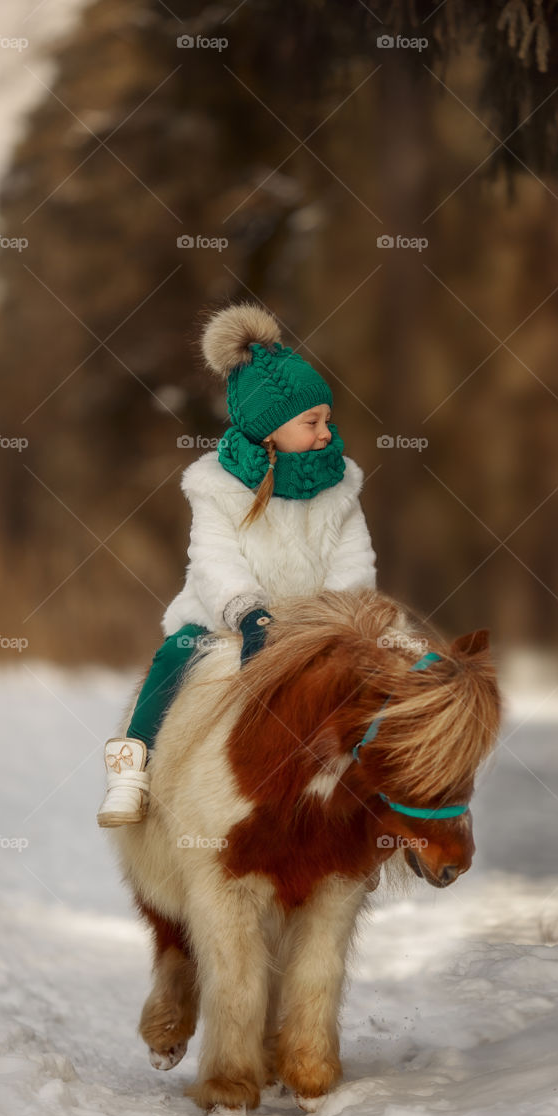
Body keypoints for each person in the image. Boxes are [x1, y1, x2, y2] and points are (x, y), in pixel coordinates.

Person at [97, 300, 378, 827]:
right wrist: (249, 614)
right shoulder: (217, 488)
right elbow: (213, 560)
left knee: (381, 669)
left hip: (321, 623)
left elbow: (354, 557)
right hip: (227, 622)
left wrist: (330, 615)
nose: (325, 432)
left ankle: (385, 784)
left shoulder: (339, 485)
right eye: (311, 421)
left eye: (327, 419)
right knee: (176, 656)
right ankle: (132, 767)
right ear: (270, 431)